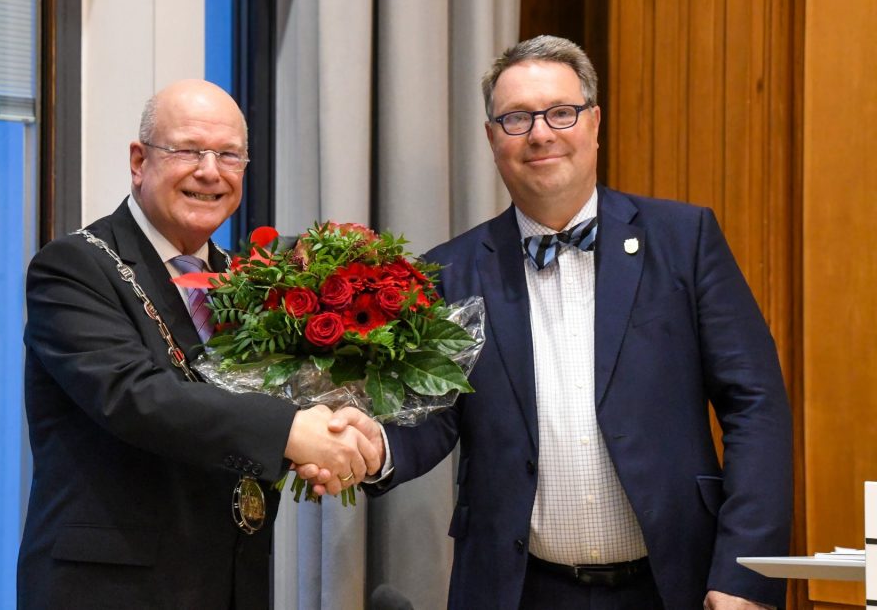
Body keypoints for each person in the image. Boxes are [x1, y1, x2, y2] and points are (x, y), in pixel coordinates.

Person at [314, 36, 792, 609]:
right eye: (516, 119)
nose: (540, 133)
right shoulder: (450, 271)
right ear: (492, 139)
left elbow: (755, 406)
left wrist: (745, 576)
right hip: (518, 591)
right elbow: (433, 417)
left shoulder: (683, 241)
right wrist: (376, 446)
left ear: (594, 123)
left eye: (560, 113)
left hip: (675, 587)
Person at [17, 79, 380, 609]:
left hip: (232, 580)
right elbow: (134, 395)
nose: (210, 172)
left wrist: (344, 422)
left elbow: (276, 400)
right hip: (113, 589)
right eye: (188, 150)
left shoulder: (244, 280)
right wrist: (292, 432)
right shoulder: (76, 265)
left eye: (229, 155)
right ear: (139, 161)